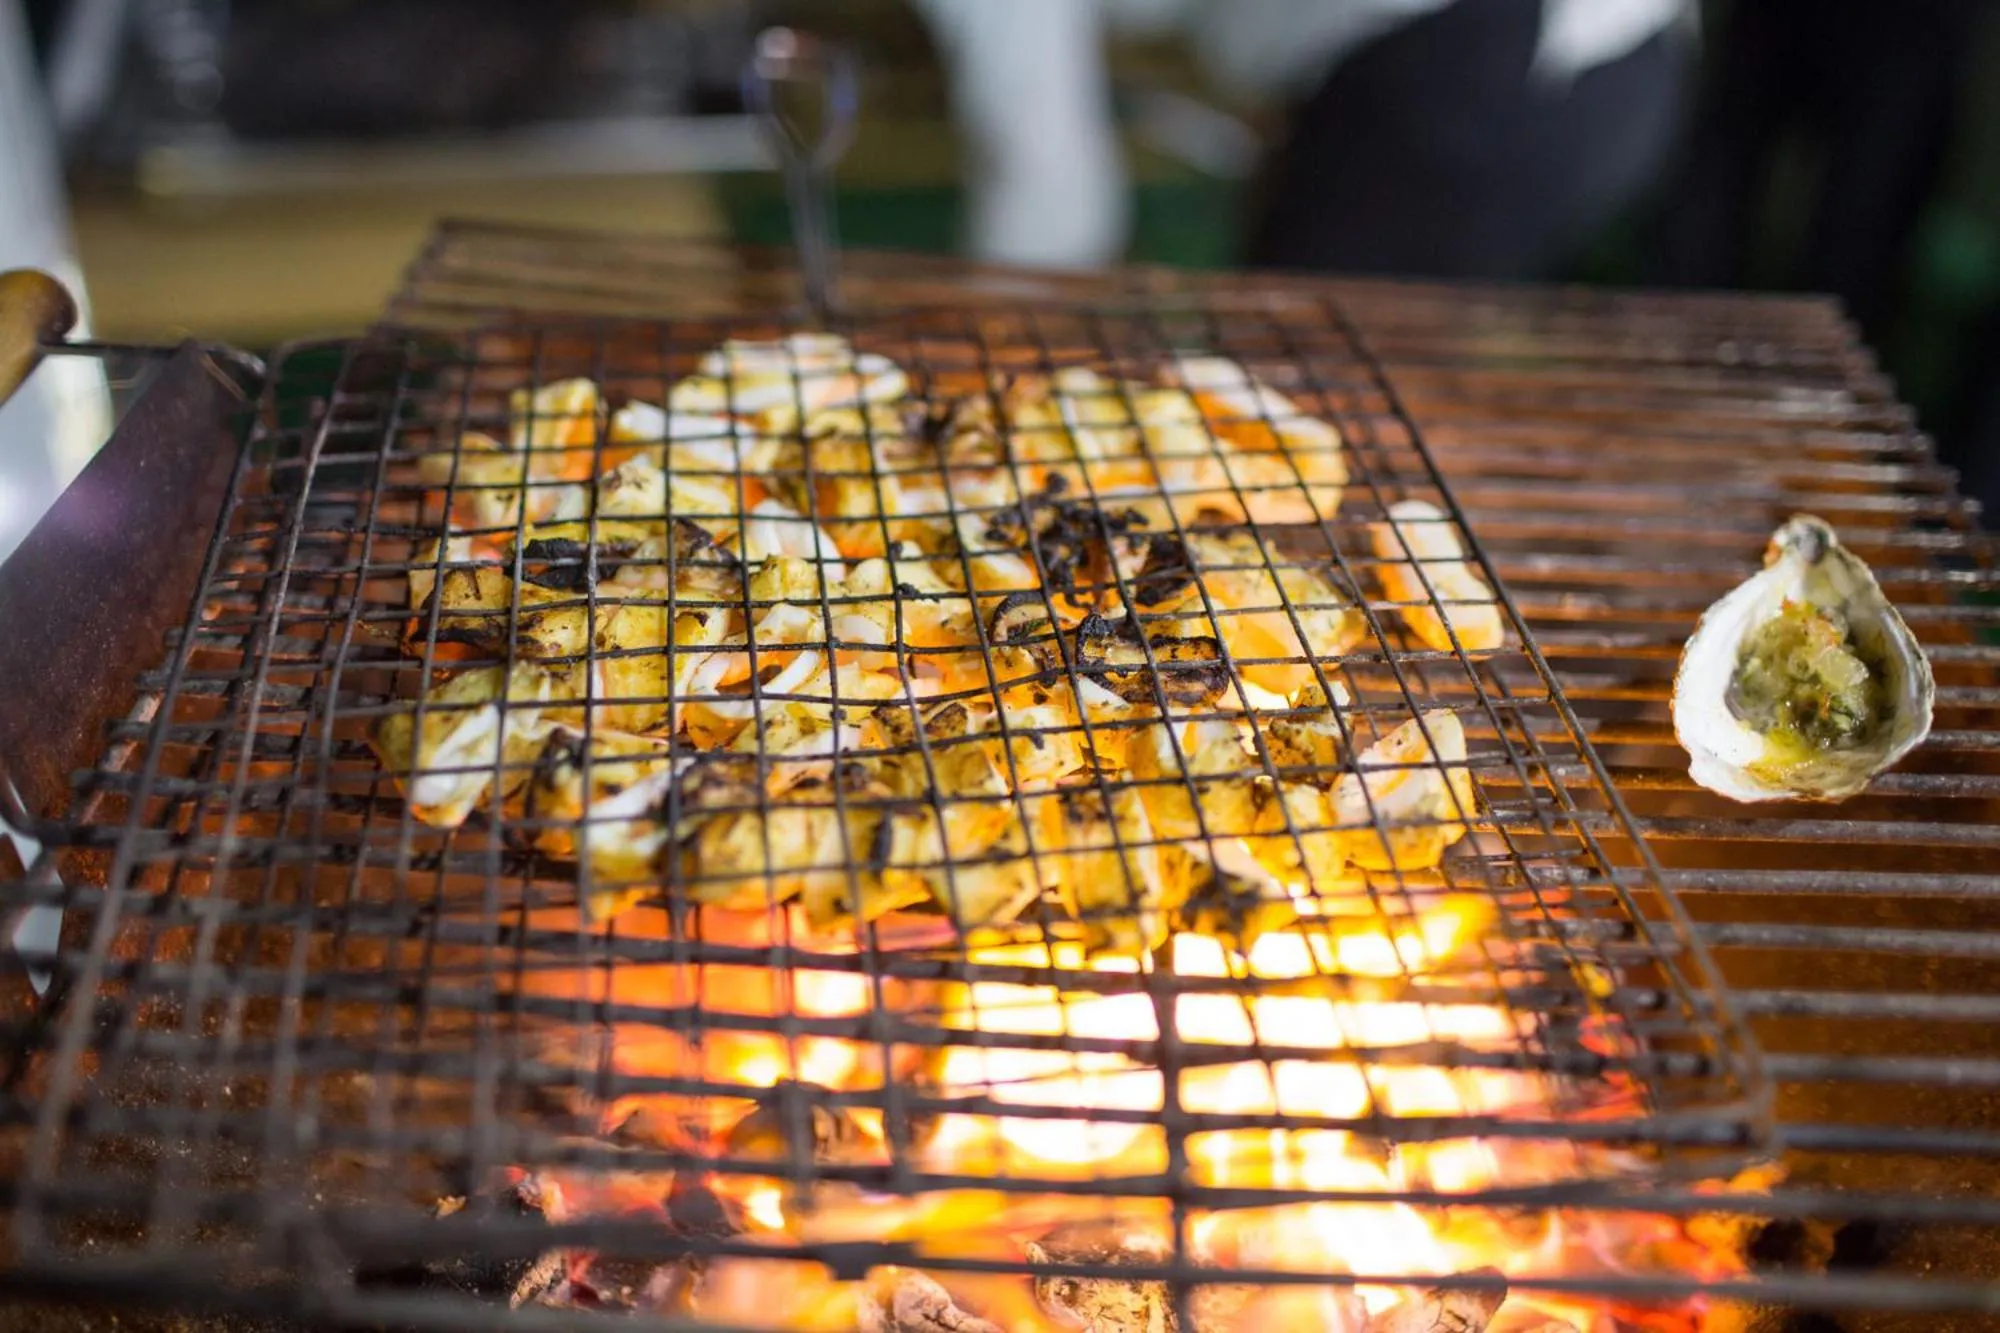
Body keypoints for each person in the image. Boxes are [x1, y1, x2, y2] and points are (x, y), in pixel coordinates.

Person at [915, 0, 1695, 279]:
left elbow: (1041, 173)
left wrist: (1019, 332)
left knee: (1291, 420)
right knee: (1394, 402)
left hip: (1473, 71)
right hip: (1635, 80)